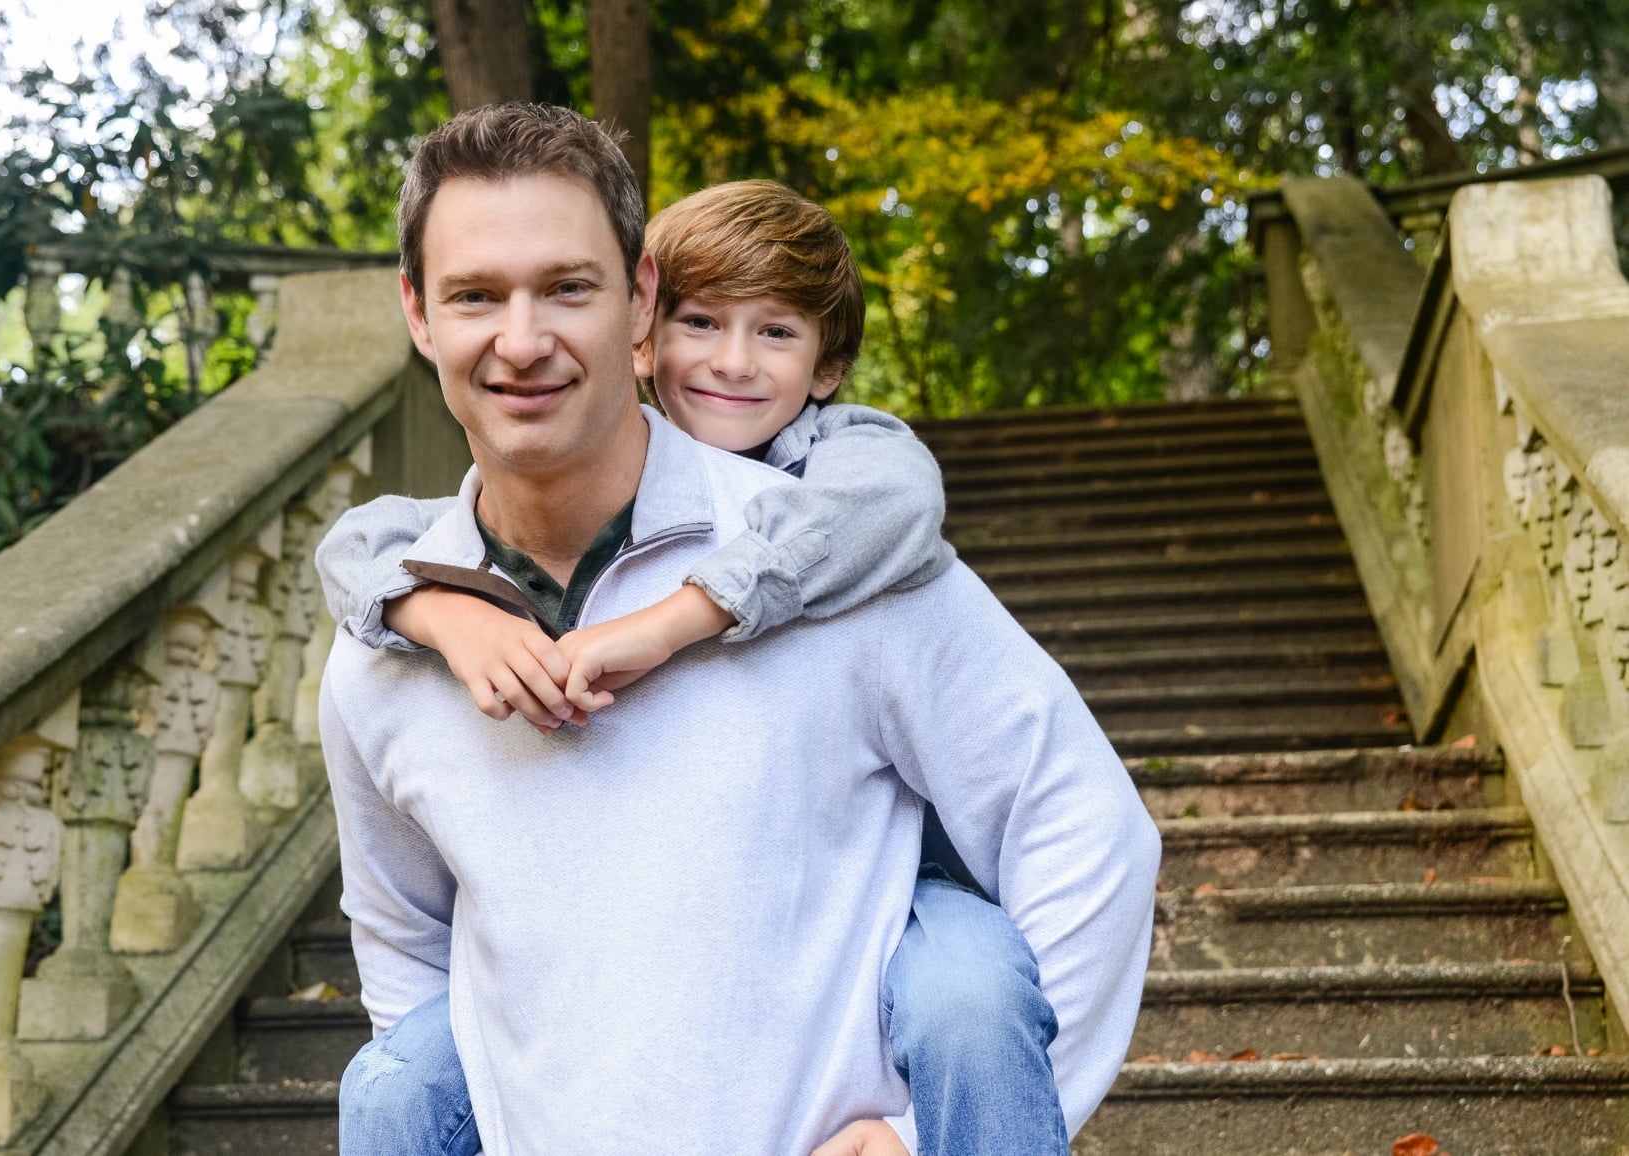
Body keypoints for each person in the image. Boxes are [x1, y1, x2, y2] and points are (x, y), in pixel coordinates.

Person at [317, 102, 1160, 1156]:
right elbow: (404, 958)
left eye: (569, 288)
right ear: (417, 312)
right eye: (475, 295)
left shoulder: (834, 559)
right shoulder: (386, 646)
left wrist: (920, 1135)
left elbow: (1086, 832)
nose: (521, 340)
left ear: (638, 302)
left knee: (965, 978)